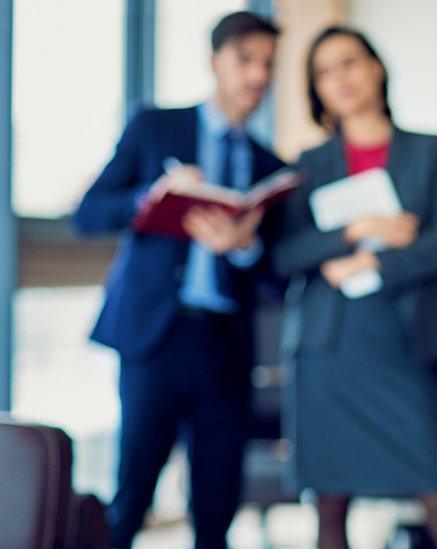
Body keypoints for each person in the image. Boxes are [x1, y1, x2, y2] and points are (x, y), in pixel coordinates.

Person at [72, 12, 283, 549]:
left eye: (267, 64)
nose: (257, 75)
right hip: (154, 338)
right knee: (133, 494)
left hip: (224, 346)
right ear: (216, 61)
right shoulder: (155, 127)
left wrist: (246, 246)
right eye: (245, 60)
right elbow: (88, 213)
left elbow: (278, 276)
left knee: (216, 506)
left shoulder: (268, 165)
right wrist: (151, 196)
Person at [272, 27, 437, 549]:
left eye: (349, 63)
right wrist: (354, 233)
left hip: (404, 339)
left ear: (376, 67)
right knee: (330, 503)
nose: (340, 79)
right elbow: (285, 254)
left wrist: (377, 265)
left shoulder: (428, 150)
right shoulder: (307, 165)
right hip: (328, 348)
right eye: (324, 72)